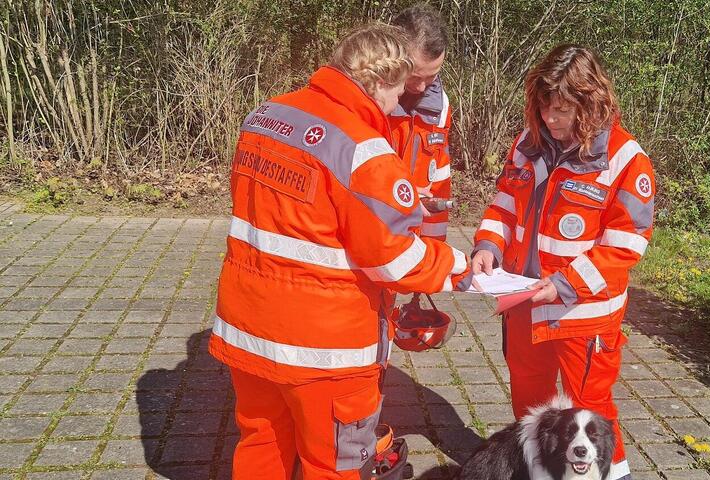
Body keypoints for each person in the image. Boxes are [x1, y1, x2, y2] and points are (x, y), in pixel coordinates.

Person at [209, 23, 470, 480]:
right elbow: (392, 260)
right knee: (334, 465)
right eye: (402, 89)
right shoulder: (366, 151)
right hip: (325, 349)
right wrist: (456, 265)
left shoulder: (265, 116)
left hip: (248, 329)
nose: (400, 104)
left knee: (261, 444)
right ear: (383, 83)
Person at [471, 44, 656, 480]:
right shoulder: (526, 144)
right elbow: (503, 205)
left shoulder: (627, 160)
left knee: (592, 413)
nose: (550, 119)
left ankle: (614, 476)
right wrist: (488, 246)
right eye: (543, 107)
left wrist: (566, 284)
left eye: (561, 109)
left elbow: (625, 245)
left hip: (582, 316)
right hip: (524, 306)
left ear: (590, 103)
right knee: (533, 409)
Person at [389, 3, 453, 241]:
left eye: (432, 76)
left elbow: (439, 184)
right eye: (414, 76)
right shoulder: (366, 100)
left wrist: (437, 250)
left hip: (413, 243)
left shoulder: (440, 107)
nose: (420, 87)